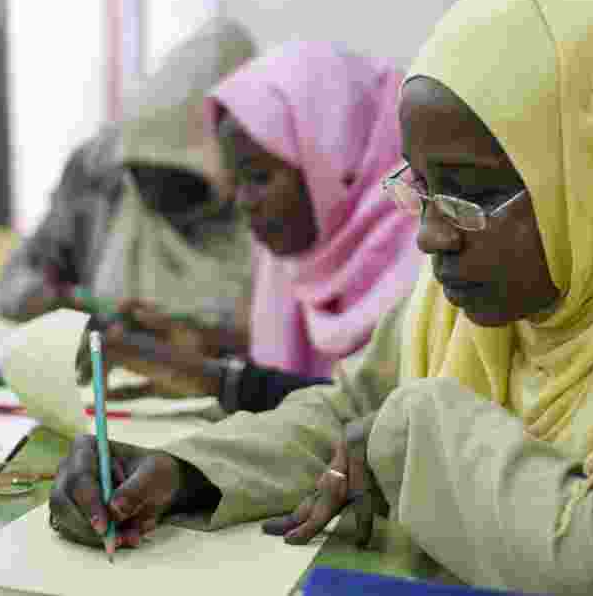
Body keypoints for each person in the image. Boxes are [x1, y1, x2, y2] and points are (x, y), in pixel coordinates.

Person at [49, 0, 593, 593]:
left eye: (471, 193)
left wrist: (421, 432)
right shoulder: (493, 280)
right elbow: (352, 410)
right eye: (421, 186)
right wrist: (190, 471)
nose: (431, 233)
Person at [97, 41, 422, 410]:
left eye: (258, 178)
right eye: (235, 182)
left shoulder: (431, 260)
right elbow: (297, 378)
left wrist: (212, 378)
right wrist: (205, 344)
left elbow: (381, 417)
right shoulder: (301, 257)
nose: (243, 201)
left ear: (332, 161)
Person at [0, 18, 257, 350]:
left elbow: (286, 355)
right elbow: (16, 280)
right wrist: (59, 306)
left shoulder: (263, 197)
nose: (155, 191)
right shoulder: (101, 173)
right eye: (143, 170)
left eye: (178, 174)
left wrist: (199, 342)